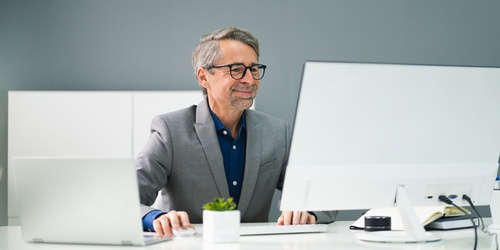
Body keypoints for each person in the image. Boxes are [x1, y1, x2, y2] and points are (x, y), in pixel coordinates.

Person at [136, 27, 338, 236]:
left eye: (254, 69)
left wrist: (308, 212)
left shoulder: (277, 132)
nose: (249, 80)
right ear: (204, 77)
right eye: (236, 69)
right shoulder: (170, 130)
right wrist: (157, 218)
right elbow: (127, 200)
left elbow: (323, 197)